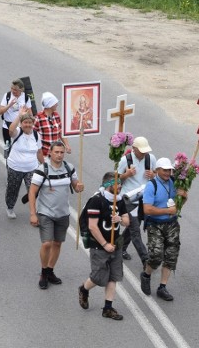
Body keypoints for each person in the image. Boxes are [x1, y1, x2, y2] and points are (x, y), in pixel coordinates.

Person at [28, 141, 83, 290]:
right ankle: (43, 273)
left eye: (61, 152)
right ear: (50, 153)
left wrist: (78, 186)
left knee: (57, 243)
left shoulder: (69, 168)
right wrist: (33, 214)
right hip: (45, 213)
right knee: (47, 243)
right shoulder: (42, 170)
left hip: (63, 213)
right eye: (56, 152)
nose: (59, 155)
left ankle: (50, 271)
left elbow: (76, 186)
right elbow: (32, 192)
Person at [78, 171, 130, 321]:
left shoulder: (119, 200)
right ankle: (84, 288)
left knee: (113, 276)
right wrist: (105, 244)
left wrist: (120, 219)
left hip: (116, 244)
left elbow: (127, 221)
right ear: (108, 185)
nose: (120, 186)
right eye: (117, 184)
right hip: (99, 246)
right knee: (98, 277)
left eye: (120, 183)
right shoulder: (97, 201)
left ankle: (108, 308)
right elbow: (92, 226)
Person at [140, 157, 188, 302]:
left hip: (172, 224)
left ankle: (162, 287)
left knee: (171, 255)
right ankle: (146, 275)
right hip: (155, 224)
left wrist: (184, 197)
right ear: (157, 170)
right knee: (156, 255)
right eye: (165, 170)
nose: (168, 172)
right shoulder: (151, 185)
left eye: (169, 170)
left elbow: (179, 204)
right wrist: (167, 211)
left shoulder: (174, 182)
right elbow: (147, 209)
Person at [117, 136, 156, 263]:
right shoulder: (125, 160)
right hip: (128, 199)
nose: (144, 153)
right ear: (133, 149)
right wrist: (126, 175)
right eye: (141, 150)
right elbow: (114, 181)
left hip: (143, 199)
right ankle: (145, 259)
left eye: (145, 150)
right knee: (135, 230)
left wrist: (153, 175)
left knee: (134, 225)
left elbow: (157, 176)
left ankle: (119, 247)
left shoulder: (151, 159)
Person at [5, 111, 42, 219]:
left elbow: (39, 152)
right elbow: (10, 130)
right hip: (15, 167)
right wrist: (19, 116)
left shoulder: (36, 135)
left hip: (32, 168)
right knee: (13, 189)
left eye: (30, 122)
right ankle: (10, 207)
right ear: (21, 123)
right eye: (25, 122)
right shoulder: (17, 132)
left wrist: (45, 166)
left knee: (34, 190)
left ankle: (34, 212)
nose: (28, 125)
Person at [0, 79, 32, 158]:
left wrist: (27, 112)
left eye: (15, 90)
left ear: (21, 90)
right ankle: (9, 164)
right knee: (8, 148)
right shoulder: (7, 96)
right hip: (7, 126)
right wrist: (9, 105)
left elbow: (30, 114)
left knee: (19, 147)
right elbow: (0, 111)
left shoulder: (26, 97)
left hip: (20, 127)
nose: (13, 91)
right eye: (12, 88)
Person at [34, 92, 71, 157]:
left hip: (56, 155)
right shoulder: (38, 118)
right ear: (50, 105)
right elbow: (33, 136)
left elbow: (60, 132)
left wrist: (67, 145)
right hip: (44, 155)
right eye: (55, 103)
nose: (57, 104)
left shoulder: (56, 115)